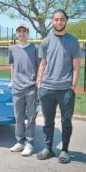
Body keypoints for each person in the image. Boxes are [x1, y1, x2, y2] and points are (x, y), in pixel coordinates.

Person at [36, 9, 82, 164]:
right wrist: (39, 82)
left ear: (65, 21)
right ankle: (48, 148)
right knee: (48, 121)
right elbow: (43, 64)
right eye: (56, 19)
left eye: (62, 19)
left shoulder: (72, 41)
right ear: (52, 21)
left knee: (66, 122)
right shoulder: (46, 41)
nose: (59, 22)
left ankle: (65, 150)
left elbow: (77, 67)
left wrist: (72, 87)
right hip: (47, 88)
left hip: (65, 89)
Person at [8, 23, 38, 157]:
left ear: (28, 33)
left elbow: (40, 66)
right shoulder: (12, 48)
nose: (21, 33)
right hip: (17, 88)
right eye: (19, 31)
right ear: (16, 33)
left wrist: (38, 82)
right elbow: (12, 66)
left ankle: (29, 143)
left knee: (31, 117)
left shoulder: (35, 48)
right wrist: (12, 80)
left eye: (24, 31)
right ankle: (20, 141)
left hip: (31, 87)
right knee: (18, 117)